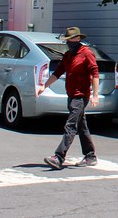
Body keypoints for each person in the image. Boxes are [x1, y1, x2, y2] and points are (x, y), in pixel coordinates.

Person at [40, 27, 100, 169]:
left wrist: (95, 95)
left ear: (78, 39)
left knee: (71, 125)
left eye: (71, 40)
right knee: (81, 126)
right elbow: (58, 72)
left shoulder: (86, 53)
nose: (68, 42)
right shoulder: (68, 55)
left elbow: (95, 73)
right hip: (71, 95)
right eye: (67, 40)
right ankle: (90, 156)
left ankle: (59, 157)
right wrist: (44, 86)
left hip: (80, 96)